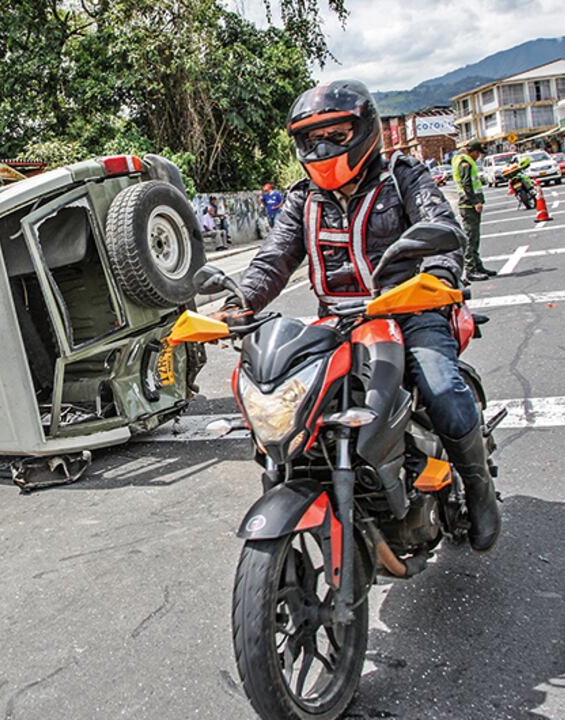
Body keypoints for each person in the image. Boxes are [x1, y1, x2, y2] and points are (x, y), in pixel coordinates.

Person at [211, 79, 500, 551]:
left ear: (365, 131)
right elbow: (273, 259)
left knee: (440, 384)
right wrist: (237, 302)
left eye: (336, 135)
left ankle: (479, 490)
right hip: (339, 322)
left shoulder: (404, 178)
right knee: (288, 401)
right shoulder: (303, 199)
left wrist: (440, 278)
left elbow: (442, 229)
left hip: (410, 310)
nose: (322, 147)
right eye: (311, 139)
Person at [450, 140, 495, 281]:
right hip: (468, 205)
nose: (479, 156)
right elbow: (467, 184)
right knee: (470, 238)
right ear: (473, 151)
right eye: (478, 153)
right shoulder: (465, 163)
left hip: (469, 204)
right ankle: (470, 270)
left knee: (475, 238)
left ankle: (477, 265)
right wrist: (475, 202)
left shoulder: (463, 160)